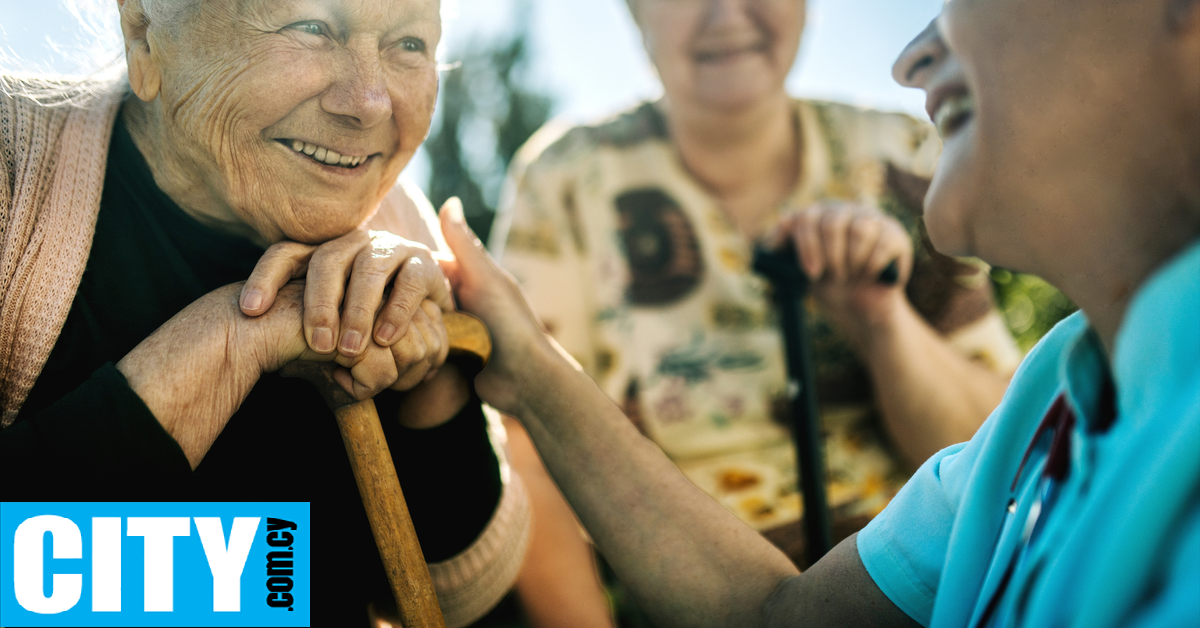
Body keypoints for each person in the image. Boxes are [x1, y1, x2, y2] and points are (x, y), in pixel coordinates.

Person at [425, 0, 1200, 623]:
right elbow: (777, 611)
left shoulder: (908, 159)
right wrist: (526, 368)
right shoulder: (1054, 404)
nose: (913, 58)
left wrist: (881, 323)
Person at [0, 0, 528, 625]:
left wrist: (426, 367)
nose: (368, 102)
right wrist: (231, 340)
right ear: (144, 34)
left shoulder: (392, 217)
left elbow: (457, 592)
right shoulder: (14, 165)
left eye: (409, 44)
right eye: (310, 27)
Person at [488, 4, 1021, 616]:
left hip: (933, 592)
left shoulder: (906, 152)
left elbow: (1003, 455)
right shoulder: (565, 180)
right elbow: (526, 440)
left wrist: (881, 322)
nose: (727, 12)